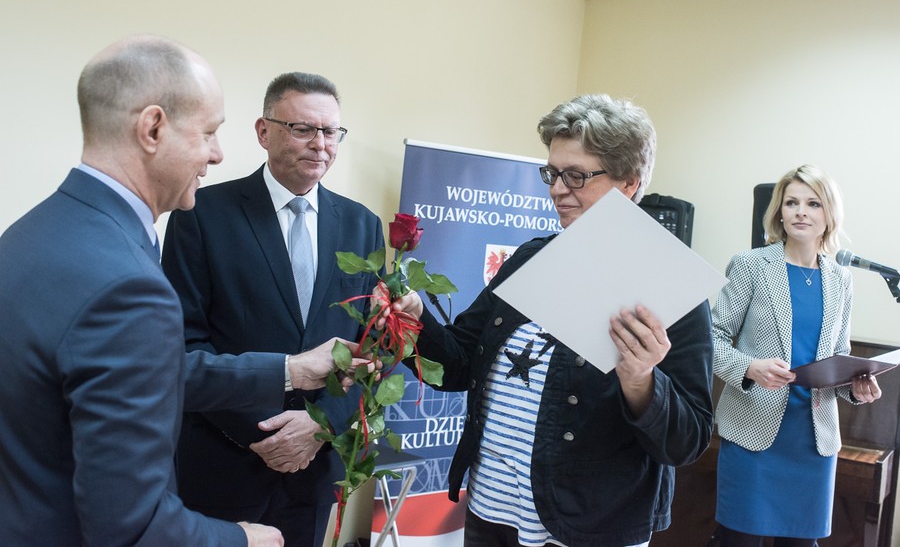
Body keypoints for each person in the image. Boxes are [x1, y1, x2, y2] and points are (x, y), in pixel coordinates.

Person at [0, 36, 368, 547]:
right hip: (205, 482)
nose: (216, 154)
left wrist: (297, 376)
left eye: (331, 131)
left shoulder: (29, 234)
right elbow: (131, 524)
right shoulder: (129, 279)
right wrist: (244, 540)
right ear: (152, 128)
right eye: (209, 133)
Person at [379, 94, 715, 547]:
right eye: (552, 173)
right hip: (491, 511)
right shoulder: (531, 259)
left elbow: (687, 440)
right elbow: (458, 365)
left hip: (589, 525)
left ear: (629, 183)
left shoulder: (669, 286)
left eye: (576, 175)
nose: (557, 189)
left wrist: (641, 381)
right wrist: (417, 318)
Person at [162, 72, 385, 547]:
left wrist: (319, 426)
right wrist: (267, 435)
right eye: (303, 129)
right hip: (225, 460)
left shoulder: (362, 226)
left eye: (330, 132)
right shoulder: (200, 213)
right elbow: (182, 345)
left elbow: (370, 350)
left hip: (316, 464)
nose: (320, 144)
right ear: (263, 131)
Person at [711, 164, 882, 547]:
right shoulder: (750, 265)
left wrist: (856, 388)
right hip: (753, 433)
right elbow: (713, 338)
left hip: (814, 439)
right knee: (738, 541)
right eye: (791, 203)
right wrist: (750, 368)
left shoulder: (841, 278)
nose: (800, 211)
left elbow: (839, 354)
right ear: (779, 212)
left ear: (828, 216)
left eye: (812, 203)